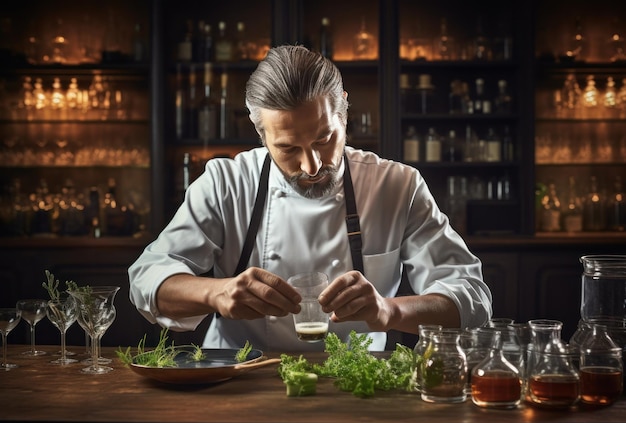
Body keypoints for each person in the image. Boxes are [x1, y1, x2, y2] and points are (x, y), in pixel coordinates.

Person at [128, 44, 492, 352]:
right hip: (238, 383)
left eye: (324, 139)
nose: (312, 165)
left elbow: (473, 300)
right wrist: (218, 293)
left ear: (344, 111)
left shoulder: (397, 185)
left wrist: (387, 311)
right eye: (288, 148)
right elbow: (147, 280)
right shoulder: (226, 182)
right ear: (261, 134)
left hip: (356, 386)